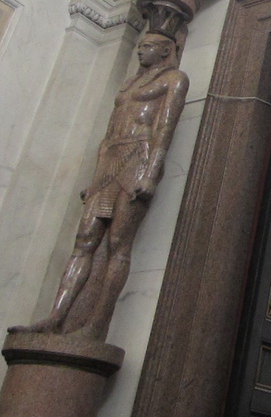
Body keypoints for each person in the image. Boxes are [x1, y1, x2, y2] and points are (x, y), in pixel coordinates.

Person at [10, 32, 189, 338]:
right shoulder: (129, 83)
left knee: (118, 243)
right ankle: (55, 317)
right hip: (112, 158)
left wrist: (150, 173)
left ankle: (96, 325)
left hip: (140, 156)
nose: (140, 51)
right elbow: (108, 134)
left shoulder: (174, 78)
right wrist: (96, 177)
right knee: (84, 240)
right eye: (140, 46)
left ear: (165, 51)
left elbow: (165, 127)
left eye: (147, 47)